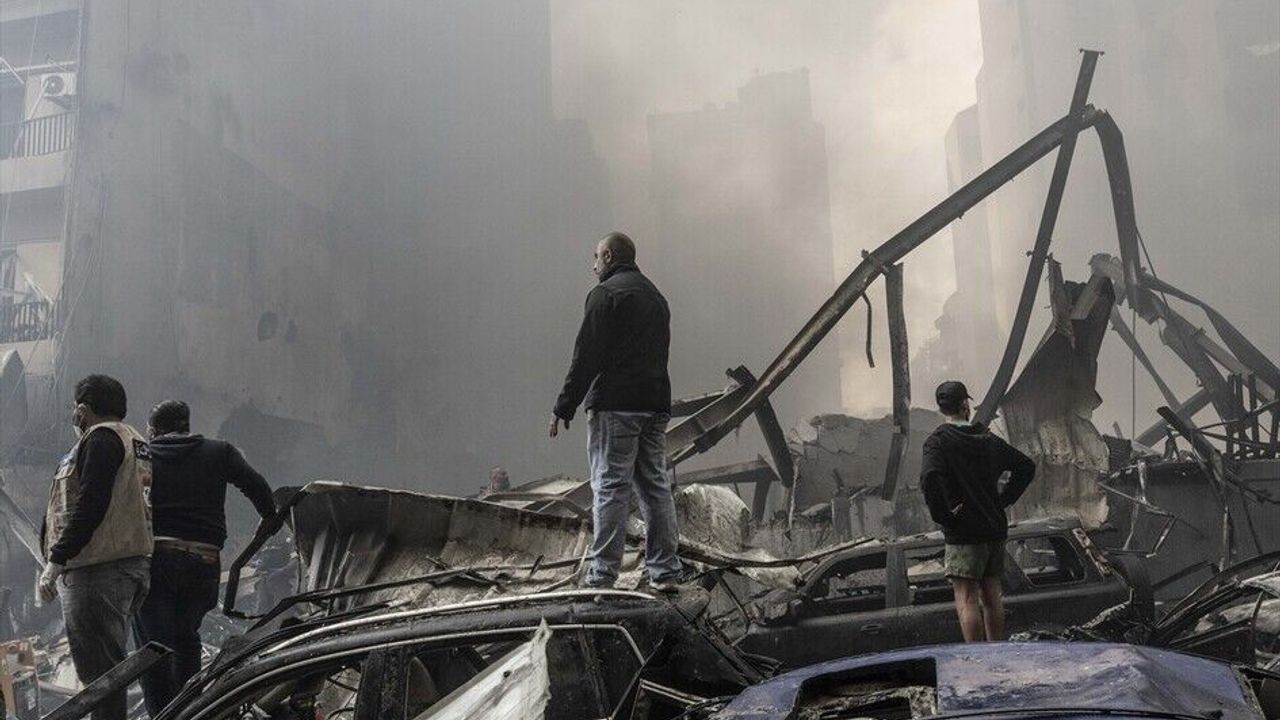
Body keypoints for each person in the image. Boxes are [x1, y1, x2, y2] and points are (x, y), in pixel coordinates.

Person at [549, 231, 684, 592]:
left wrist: (565, 405)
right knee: (655, 486)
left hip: (616, 405)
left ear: (608, 256)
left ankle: (602, 575)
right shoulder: (656, 297)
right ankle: (665, 571)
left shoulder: (605, 294)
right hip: (655, 404)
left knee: (610, 485)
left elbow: (586, 356)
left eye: (595, 257)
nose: (593, 265)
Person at [134, 400, 275, 717]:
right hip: (205, 562)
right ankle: (192, 712)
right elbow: (259, 488)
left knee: (153, 650)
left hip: (157, 560)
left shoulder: (144, 455)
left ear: (154, 430)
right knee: (187, 639)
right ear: (186, 426)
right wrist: (267, 520)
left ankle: (164, 716)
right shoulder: (220, 451)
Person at [38, 375, 153, 720]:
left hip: (98, 571)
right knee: (109, 670)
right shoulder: (133, 440)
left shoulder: (101, 439)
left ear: (83, 409)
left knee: (101, 678)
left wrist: (56, 560)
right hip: (124, 567)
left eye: (75, 410)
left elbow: (91, 504)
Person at [920, 381, 1036, 642]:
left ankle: (977, 657)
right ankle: (996, 653)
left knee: (966, 598)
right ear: (965, 405)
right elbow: (1026, 466)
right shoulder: (988, 439)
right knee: (992, 596)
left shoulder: (937, 443)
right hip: (994, 530)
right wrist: (1003, 500)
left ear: (942, 408)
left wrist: (945, 516)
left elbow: (929, 478)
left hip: (963, 532)